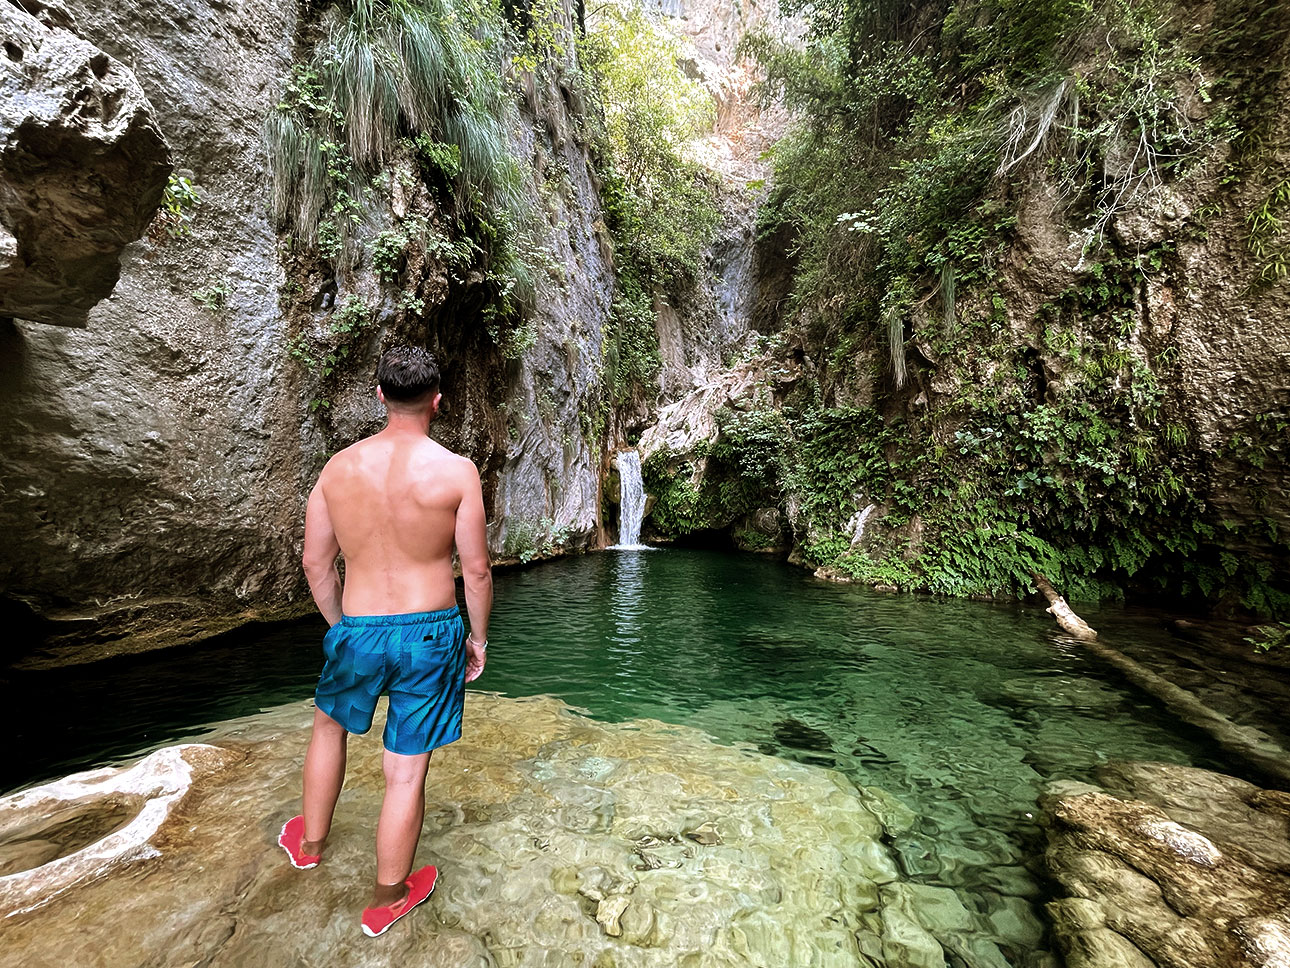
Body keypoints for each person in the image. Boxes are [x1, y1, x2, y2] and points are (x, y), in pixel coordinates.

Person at [277, 345, 492, 938]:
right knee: (405, 769)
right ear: (437, 401)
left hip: (359, 627)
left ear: (379, 395)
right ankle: (387, 897)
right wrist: (477, 639)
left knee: (328, 725)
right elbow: (475, 571)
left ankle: (310, 843)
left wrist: (340, 627)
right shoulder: (456, 472)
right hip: (430, 630)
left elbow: (315, 562)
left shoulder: (337, 470)